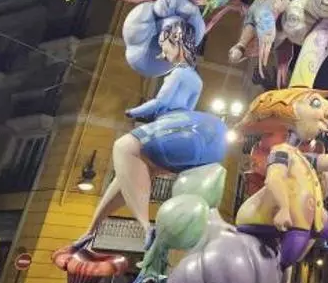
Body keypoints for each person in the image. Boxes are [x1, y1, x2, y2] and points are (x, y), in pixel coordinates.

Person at [69, 19, 226, 251]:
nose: (163, 53)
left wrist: (134, 111)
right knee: (125, 178)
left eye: (165, 46)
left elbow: (161, 102)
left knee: (124, 146)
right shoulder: (197, 80)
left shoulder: (177, 74)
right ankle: (90, 232)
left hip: (172, 125)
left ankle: (145, 227)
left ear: (177, 41)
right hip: (188, 132)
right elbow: (189, 107)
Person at [233, 87, 328, 268]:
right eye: (315, 103)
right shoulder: (281, 151)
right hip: (278, 219)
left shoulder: (300, 157)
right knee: (283, 262)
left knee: (292, 257)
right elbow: (274, 179)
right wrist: (283, 208)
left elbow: (325, 161)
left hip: (306, 220)